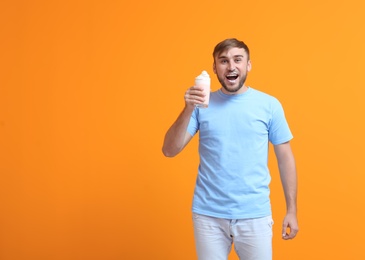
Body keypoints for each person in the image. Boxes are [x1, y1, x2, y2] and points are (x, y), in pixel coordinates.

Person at [162, 38, 298, 260]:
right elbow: (169, 150)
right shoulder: (200, 106)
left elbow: (285, 158)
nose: (231, 66)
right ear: (215, 67)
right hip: (208, 215)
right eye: (223, 61)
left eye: (237, 59)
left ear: (248, 65)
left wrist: (292, 210)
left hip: (254, 214)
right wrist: (187, 109)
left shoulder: (269, 105)